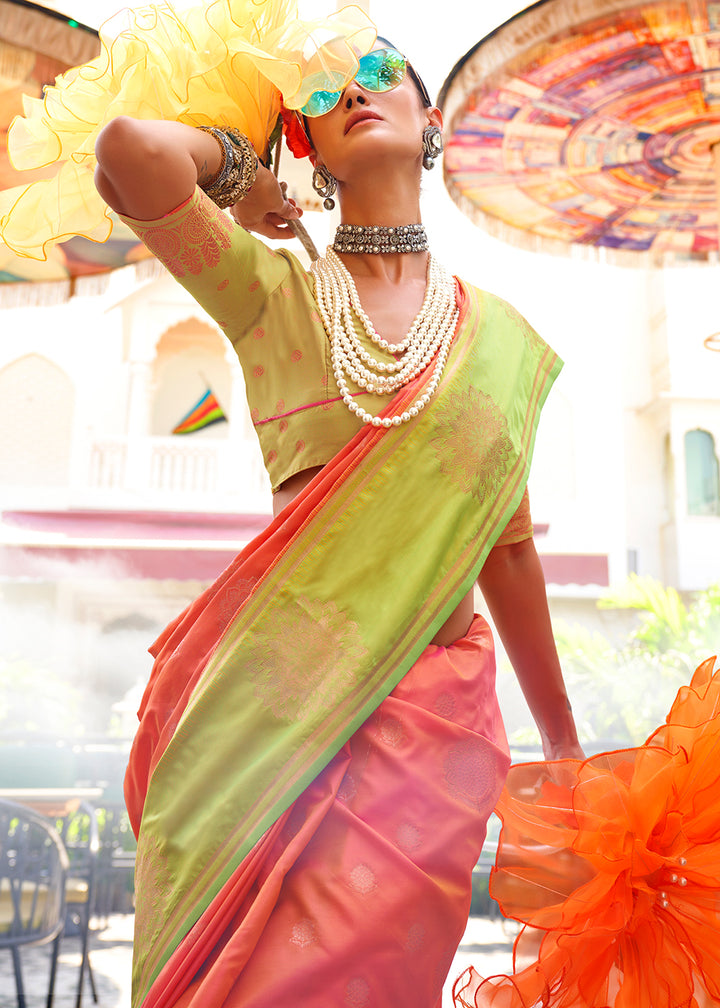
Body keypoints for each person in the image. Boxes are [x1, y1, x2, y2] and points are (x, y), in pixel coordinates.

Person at [90, 31, 583, 1008]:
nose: (358, 92)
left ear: (430, 122)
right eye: (329, 91)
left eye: (382, 75)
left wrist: (566, 749)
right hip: (260, 737)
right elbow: (127, 153)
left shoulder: (505, 347)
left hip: (426, 756)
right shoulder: (272, 297)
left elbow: (510, 554)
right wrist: (239, 169)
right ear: (305, 140)